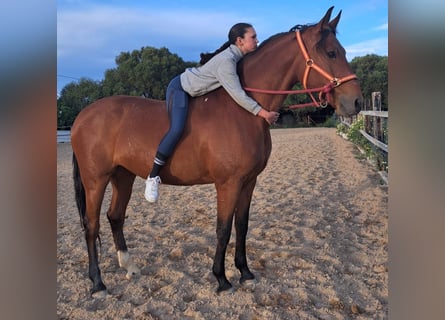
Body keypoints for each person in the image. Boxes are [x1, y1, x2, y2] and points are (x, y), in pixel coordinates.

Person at [145, 22, 280, 203]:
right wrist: (263, 113)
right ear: (240, 41)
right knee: (177, 128)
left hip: (199, 90)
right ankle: (153, 176)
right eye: (253, 37)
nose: (257, 40)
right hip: (181, 88)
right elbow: (237, 93)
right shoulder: (227, 61)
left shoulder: (238, 57)